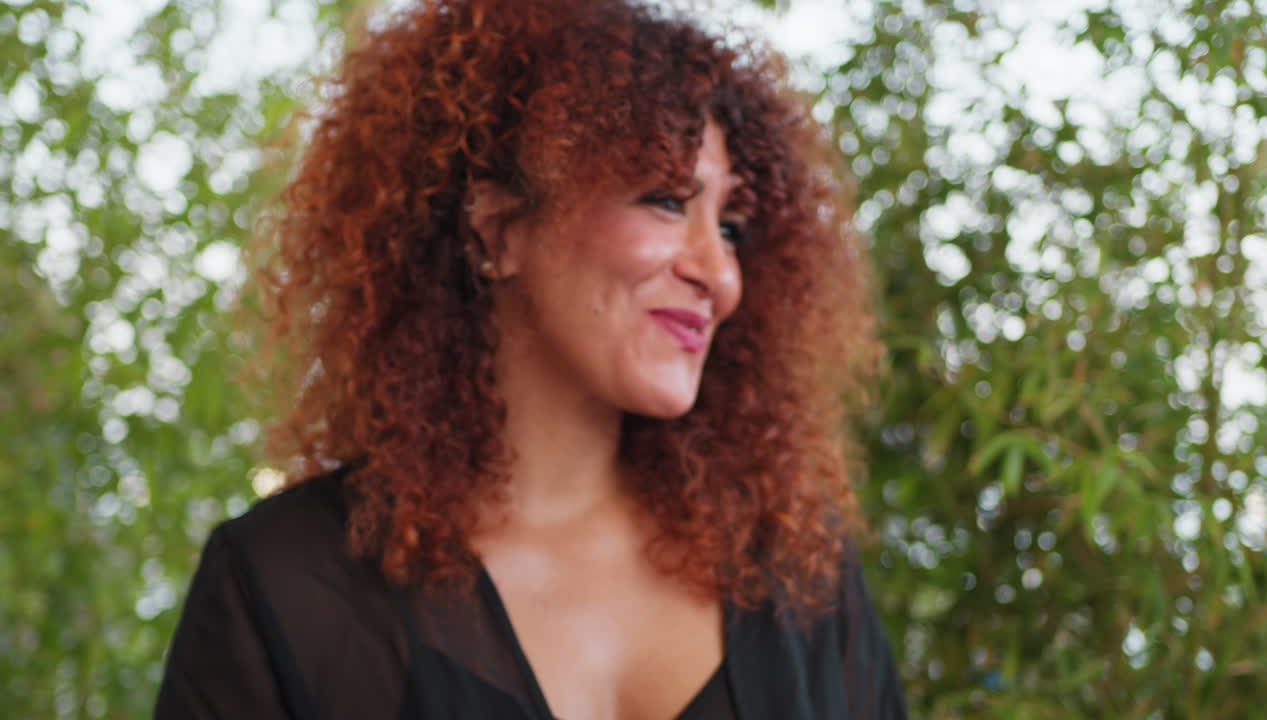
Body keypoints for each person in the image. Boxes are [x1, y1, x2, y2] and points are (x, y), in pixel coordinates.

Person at [155, 0, 905, 717]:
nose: (722, 275)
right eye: (667, 200)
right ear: (496, 232)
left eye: (733, 227)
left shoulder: (795, 576)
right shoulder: (286, 585)